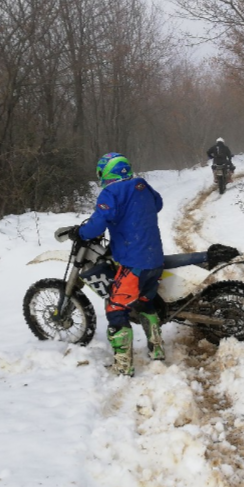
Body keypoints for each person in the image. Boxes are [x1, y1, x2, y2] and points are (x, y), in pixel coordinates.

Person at [72, 153, 165, 376]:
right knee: (145, 302)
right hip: (155, 259)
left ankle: (123, 366)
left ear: (106, 172)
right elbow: (158, 204)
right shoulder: (142, 185)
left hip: (134, 262)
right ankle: (157, 350)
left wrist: (80, 232)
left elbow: (97, 225)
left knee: (115, 308)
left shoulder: (111, 192)